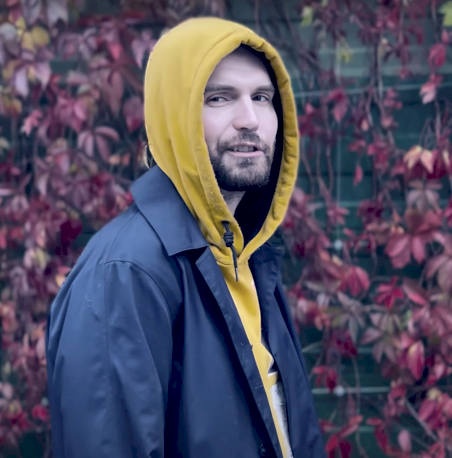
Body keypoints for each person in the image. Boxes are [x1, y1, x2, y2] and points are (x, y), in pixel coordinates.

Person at [45, 16, 326, 458]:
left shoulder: (248, 254)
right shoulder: (125, 273)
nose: (250, 119)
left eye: (262, 97)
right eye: (219, 98)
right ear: (174, 116)